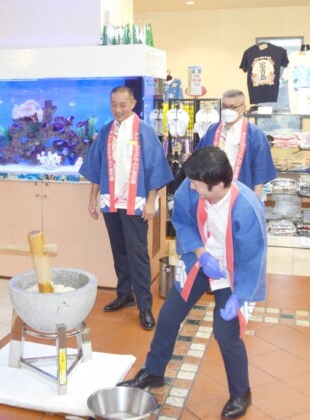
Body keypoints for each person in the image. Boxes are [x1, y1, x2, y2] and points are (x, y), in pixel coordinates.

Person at [118, 147, 267, 419]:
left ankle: (241, 393)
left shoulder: (247, 207)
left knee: (225, 332)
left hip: (233, 272)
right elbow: (183, 222)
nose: (192, 188)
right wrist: (201, 253)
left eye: (198, 186)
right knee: (169, 315)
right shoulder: (191, 186)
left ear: (217, 184)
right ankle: (153, 372)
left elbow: (252, 257)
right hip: (201, 260)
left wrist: (239, 296)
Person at [79, 86, 173, 330]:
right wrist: (93, 198)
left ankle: (144, 305)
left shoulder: (145, 131)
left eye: (122, 104)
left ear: (133, 103)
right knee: (119, 251)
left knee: (137, 253)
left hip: (136, 202)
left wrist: (151, 201)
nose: (118, 109)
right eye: (114, 104)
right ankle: (124, 294)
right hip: (110, 201)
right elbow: (96, 167)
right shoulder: (105, 131)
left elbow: (154, 168)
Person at [195, 89, 277, 197]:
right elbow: (200, 158)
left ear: (243, 108)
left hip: (242, 191)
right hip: (213, 192)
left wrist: (256, 199)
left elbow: (260, 170)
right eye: (224, 106)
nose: (227, 110)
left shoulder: (255, 134)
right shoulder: (212, 130)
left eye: (232, 107)